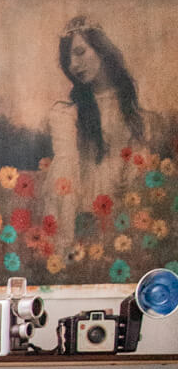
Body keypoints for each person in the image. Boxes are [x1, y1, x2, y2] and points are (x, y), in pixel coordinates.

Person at [44, 17, 161, 261]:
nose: (74, 65)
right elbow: (65, 177)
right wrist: (65, 245)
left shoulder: (139, 118)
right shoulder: (67, 113)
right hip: (80, 227)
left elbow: (137, 182)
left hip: (123, 228)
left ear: (102, 50)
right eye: (69, 58)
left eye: (80, 52)